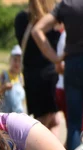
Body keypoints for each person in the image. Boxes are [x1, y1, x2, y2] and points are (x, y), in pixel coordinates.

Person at [32, 0, 83, 150]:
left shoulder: (67, 5)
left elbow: (37, 30)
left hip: (73, 64)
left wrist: (55, 58)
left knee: (74, 124)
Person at [15, 0, 61, 134]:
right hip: (49, 76)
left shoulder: (21, 18)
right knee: (44, 124)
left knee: (52, 120)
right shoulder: (53, 20)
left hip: (30, 76)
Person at [0, 45, 26, 114]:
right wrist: (4, 87)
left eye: (20, 61)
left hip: (18, 115)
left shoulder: (21, 77)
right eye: (15, 60)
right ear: (10, 60)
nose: (17, 63)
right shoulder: (3, 76)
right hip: (5, 115)